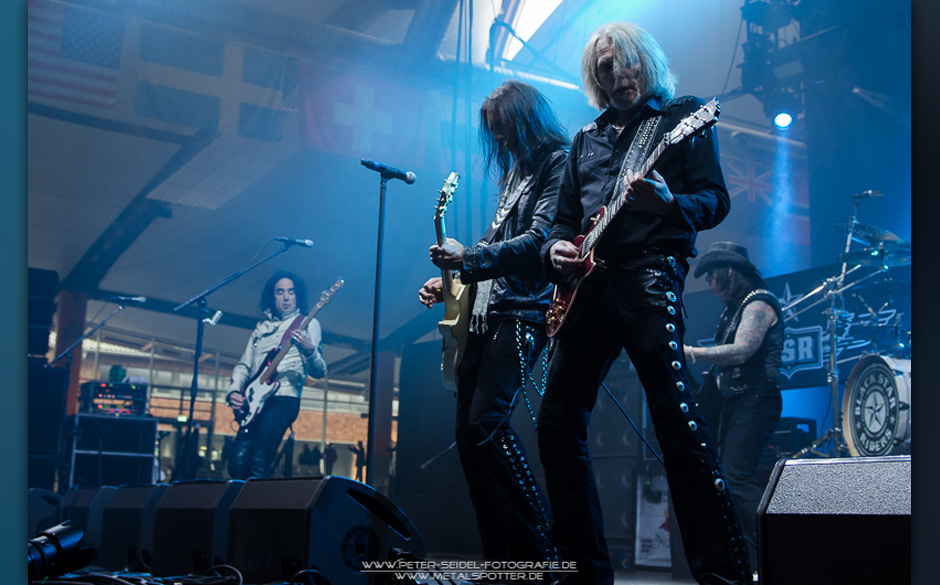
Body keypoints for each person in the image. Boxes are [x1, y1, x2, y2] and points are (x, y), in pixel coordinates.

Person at [537, 22, 751, 585]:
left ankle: (724, 574)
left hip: (649, 277)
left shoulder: (682, 118)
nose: (618, 74)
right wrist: (555, 247)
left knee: (676, 422)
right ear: (596, 78)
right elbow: (562, 222)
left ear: (645, 62)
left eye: (626, 62)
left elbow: (716, 200)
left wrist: (668, 203)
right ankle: (585, 573)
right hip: (589, 288)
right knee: (556, 422)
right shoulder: (585, 139)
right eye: (606, 67)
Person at [418, 80, 569, 570]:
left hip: (526, 310)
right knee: (467, 435)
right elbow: (494, 239)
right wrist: (451, 277)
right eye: (494, 134)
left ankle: (539, 553)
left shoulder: (557, 163)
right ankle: (500, 559)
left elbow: (538, 240)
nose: (499, 142)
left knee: (488, 423)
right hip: (488, 311)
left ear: (527, 120)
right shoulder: (515, 174)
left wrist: (472, 258)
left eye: (504, 131)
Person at [684, 242, 783, 571]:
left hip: (757, 400)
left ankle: (782, 555)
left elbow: (742, 351)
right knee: (721, 481)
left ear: (728, 271)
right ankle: (746, 561)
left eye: (711, 277)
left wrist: (693, 353)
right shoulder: (733, 309)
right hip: (734, 403)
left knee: (737, 477)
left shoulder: (759, 304)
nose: (710, 286)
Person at [225, 271, 327, 479]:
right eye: (280, 292)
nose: (286, 297)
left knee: (259, 461)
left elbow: (320, 371)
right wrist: (234, 391)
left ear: (298, 295)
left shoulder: (308, 323)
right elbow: (244, 364)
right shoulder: (261, 329)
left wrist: (309, 349)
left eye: (291, 292)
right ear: (272, 297)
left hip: (283, 399)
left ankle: (256, 509)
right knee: (237, 463)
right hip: (254, 402)